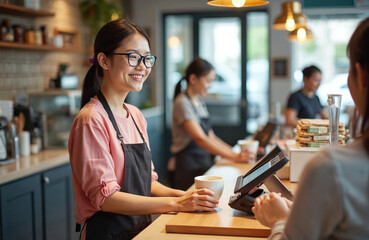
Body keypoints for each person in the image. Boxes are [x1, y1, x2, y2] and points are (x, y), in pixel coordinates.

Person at [68, 20, 219, 240]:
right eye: (133, 57)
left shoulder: (136, 115)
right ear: (104, 60)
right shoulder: (91, 119)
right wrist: (177, 203)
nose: (142, 66)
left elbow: (147, 182)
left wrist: (189, 196)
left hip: (140, 231)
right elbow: (106, 198)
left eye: (147, 58)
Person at [252, 16, 369, 239]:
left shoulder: (332, 169)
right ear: (306, 79)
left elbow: (325, 117)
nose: (317, 84)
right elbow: (290, 120)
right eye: (315, 80)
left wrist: (279, 221)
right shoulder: (296, 96)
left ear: (360, 75)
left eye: (319, 81)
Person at [170, 57, 256, 190]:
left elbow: (210, 136)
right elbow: (200, 138)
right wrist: (235, 156)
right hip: (187, 165)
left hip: (202, 161)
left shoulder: (199, 101)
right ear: (193, 79)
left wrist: (233, 153)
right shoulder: (182, 102)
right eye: (208, 81)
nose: (210, 86)